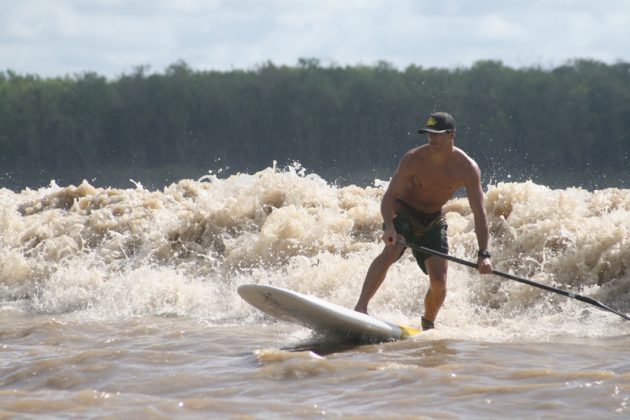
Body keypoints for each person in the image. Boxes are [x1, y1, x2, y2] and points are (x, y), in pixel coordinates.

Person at [354, 111, 493, 330]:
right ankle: (360, 308)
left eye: (437, 134)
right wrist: (389, 227)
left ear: (451, 135)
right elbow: (389, 198)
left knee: (439, 281)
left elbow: (480, 214)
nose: (431, 138)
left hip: (433, 220)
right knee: (392, 248)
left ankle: (428, 325)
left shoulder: (467, 168)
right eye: (428, 134)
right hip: (403, 212)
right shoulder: (413, 160)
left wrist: (484, 254)